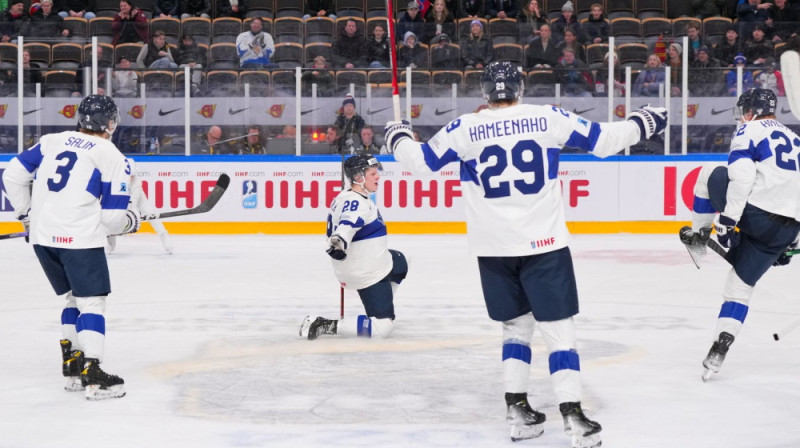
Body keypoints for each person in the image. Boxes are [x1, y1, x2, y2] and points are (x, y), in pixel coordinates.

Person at [383, 60, 667, 447]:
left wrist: (398, 137)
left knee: (515, 329)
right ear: (520, 88)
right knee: (559, 331)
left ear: (485, 93)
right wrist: (643, 122)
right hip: (544, 245)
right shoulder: (545, 117)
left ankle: (517, 410)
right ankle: (574, 416)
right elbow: (604, 141)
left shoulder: (465, 127)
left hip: (494, 249)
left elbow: (420, 163)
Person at [1, 94, 140, 400]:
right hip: (78, 239)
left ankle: (73, 363)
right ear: (110, 123)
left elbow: (12, 175)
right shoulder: (111, 154)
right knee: (92, 303)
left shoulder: (53, 140)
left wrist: (25, 215)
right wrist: (131, 221)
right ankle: (93, 373)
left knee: (70, 299)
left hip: (42, 237)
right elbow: (113, 218)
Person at [679, 88, 800, 382]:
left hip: (755, 215)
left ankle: (698, 236)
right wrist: (793, 243)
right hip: (786, 230)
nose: (742, 115)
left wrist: (728, 221)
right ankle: (720, 348)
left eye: (745, 109)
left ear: (754, 110)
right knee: (739, 288)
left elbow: (742, 177)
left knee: (709, 173)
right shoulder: (796, 139)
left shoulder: (750, 130)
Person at [300, 155, 408, 340]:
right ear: (358, 177)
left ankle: (382, 303)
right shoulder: (357, 203)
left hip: (370, 263)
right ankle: (323, 324)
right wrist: (338, 243)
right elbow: (347, 225)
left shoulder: (348, 196)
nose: (378, 177)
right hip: (366, 272)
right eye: (373, 173)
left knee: (400, 262)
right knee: (382, 328)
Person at [107, 158, 173, 254]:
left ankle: (166, 240)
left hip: (136, 198)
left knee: (152, 214)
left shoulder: (137, 182)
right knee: (113, 217)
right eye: (129, 175)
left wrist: (132, 214)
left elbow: (132, 202)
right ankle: (110, 244)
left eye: (133, 175)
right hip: (119, 198)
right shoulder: (114, 179)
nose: (131, 178)